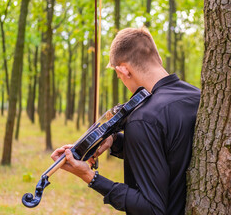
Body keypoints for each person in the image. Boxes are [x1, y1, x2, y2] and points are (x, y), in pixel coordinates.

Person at [51, 27, 200, 214]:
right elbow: (170, 149)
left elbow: (151, 209)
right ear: (157, 59)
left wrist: (90, 177)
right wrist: (114, 141)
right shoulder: (198, 97)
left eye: (118, 76)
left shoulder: (143, 118)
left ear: (124, 70)